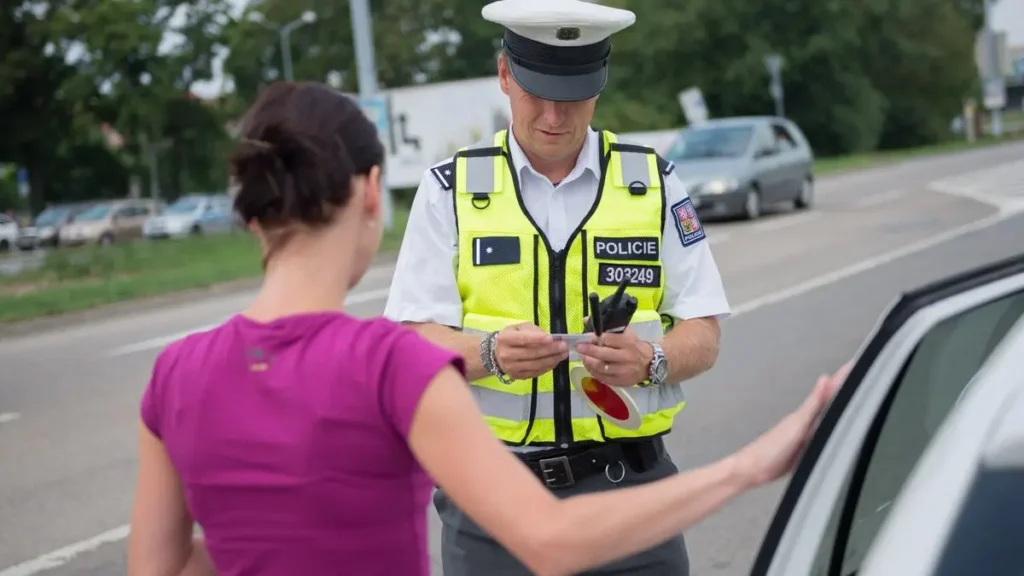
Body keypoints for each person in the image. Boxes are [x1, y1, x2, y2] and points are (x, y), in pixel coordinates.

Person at [126, 80, 849, 576]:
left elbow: (161, 565)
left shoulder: (175, 376)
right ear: (372, 195)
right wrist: (748, 468)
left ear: (251, 211)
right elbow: (550, 539)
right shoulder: (387, 366)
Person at [383, 0, 730, 573]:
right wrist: (489, 354)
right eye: (535, 93)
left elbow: (705, 332)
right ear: (503, 75)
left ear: (599, 85)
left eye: (571, 98)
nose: (552, 115)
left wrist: (652, 359)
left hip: (632, 495)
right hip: (493, 504)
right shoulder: (449, 190)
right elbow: (413, 343)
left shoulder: (652, 183)